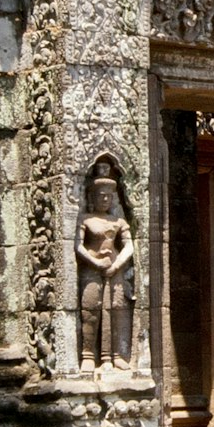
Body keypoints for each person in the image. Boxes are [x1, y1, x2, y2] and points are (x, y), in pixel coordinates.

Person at [75, 157, 138, 367]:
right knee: (91, 310)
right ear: (92, 197)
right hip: (92, 269)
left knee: (117, 311)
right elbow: (78, 246)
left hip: (114, 269)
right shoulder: (86, 219)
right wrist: (96, 263)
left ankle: (115, 356)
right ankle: (88, 355)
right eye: (101, 195)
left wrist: (116, 265)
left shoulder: (118, 221)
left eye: (109, 196)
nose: (105, 199)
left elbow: (129, 246)